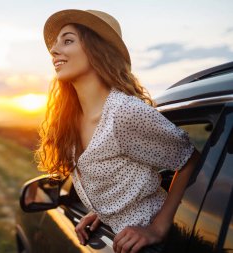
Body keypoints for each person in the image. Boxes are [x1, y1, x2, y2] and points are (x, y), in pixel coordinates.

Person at [36, 9, 200, 253]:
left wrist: (157, 228)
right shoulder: (72, 119)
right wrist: (103, 212)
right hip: (116, 237)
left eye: (67, 40)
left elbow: (190, 158)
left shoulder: (124, 112)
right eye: (55, 43)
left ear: (96, 50)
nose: (54, 50)